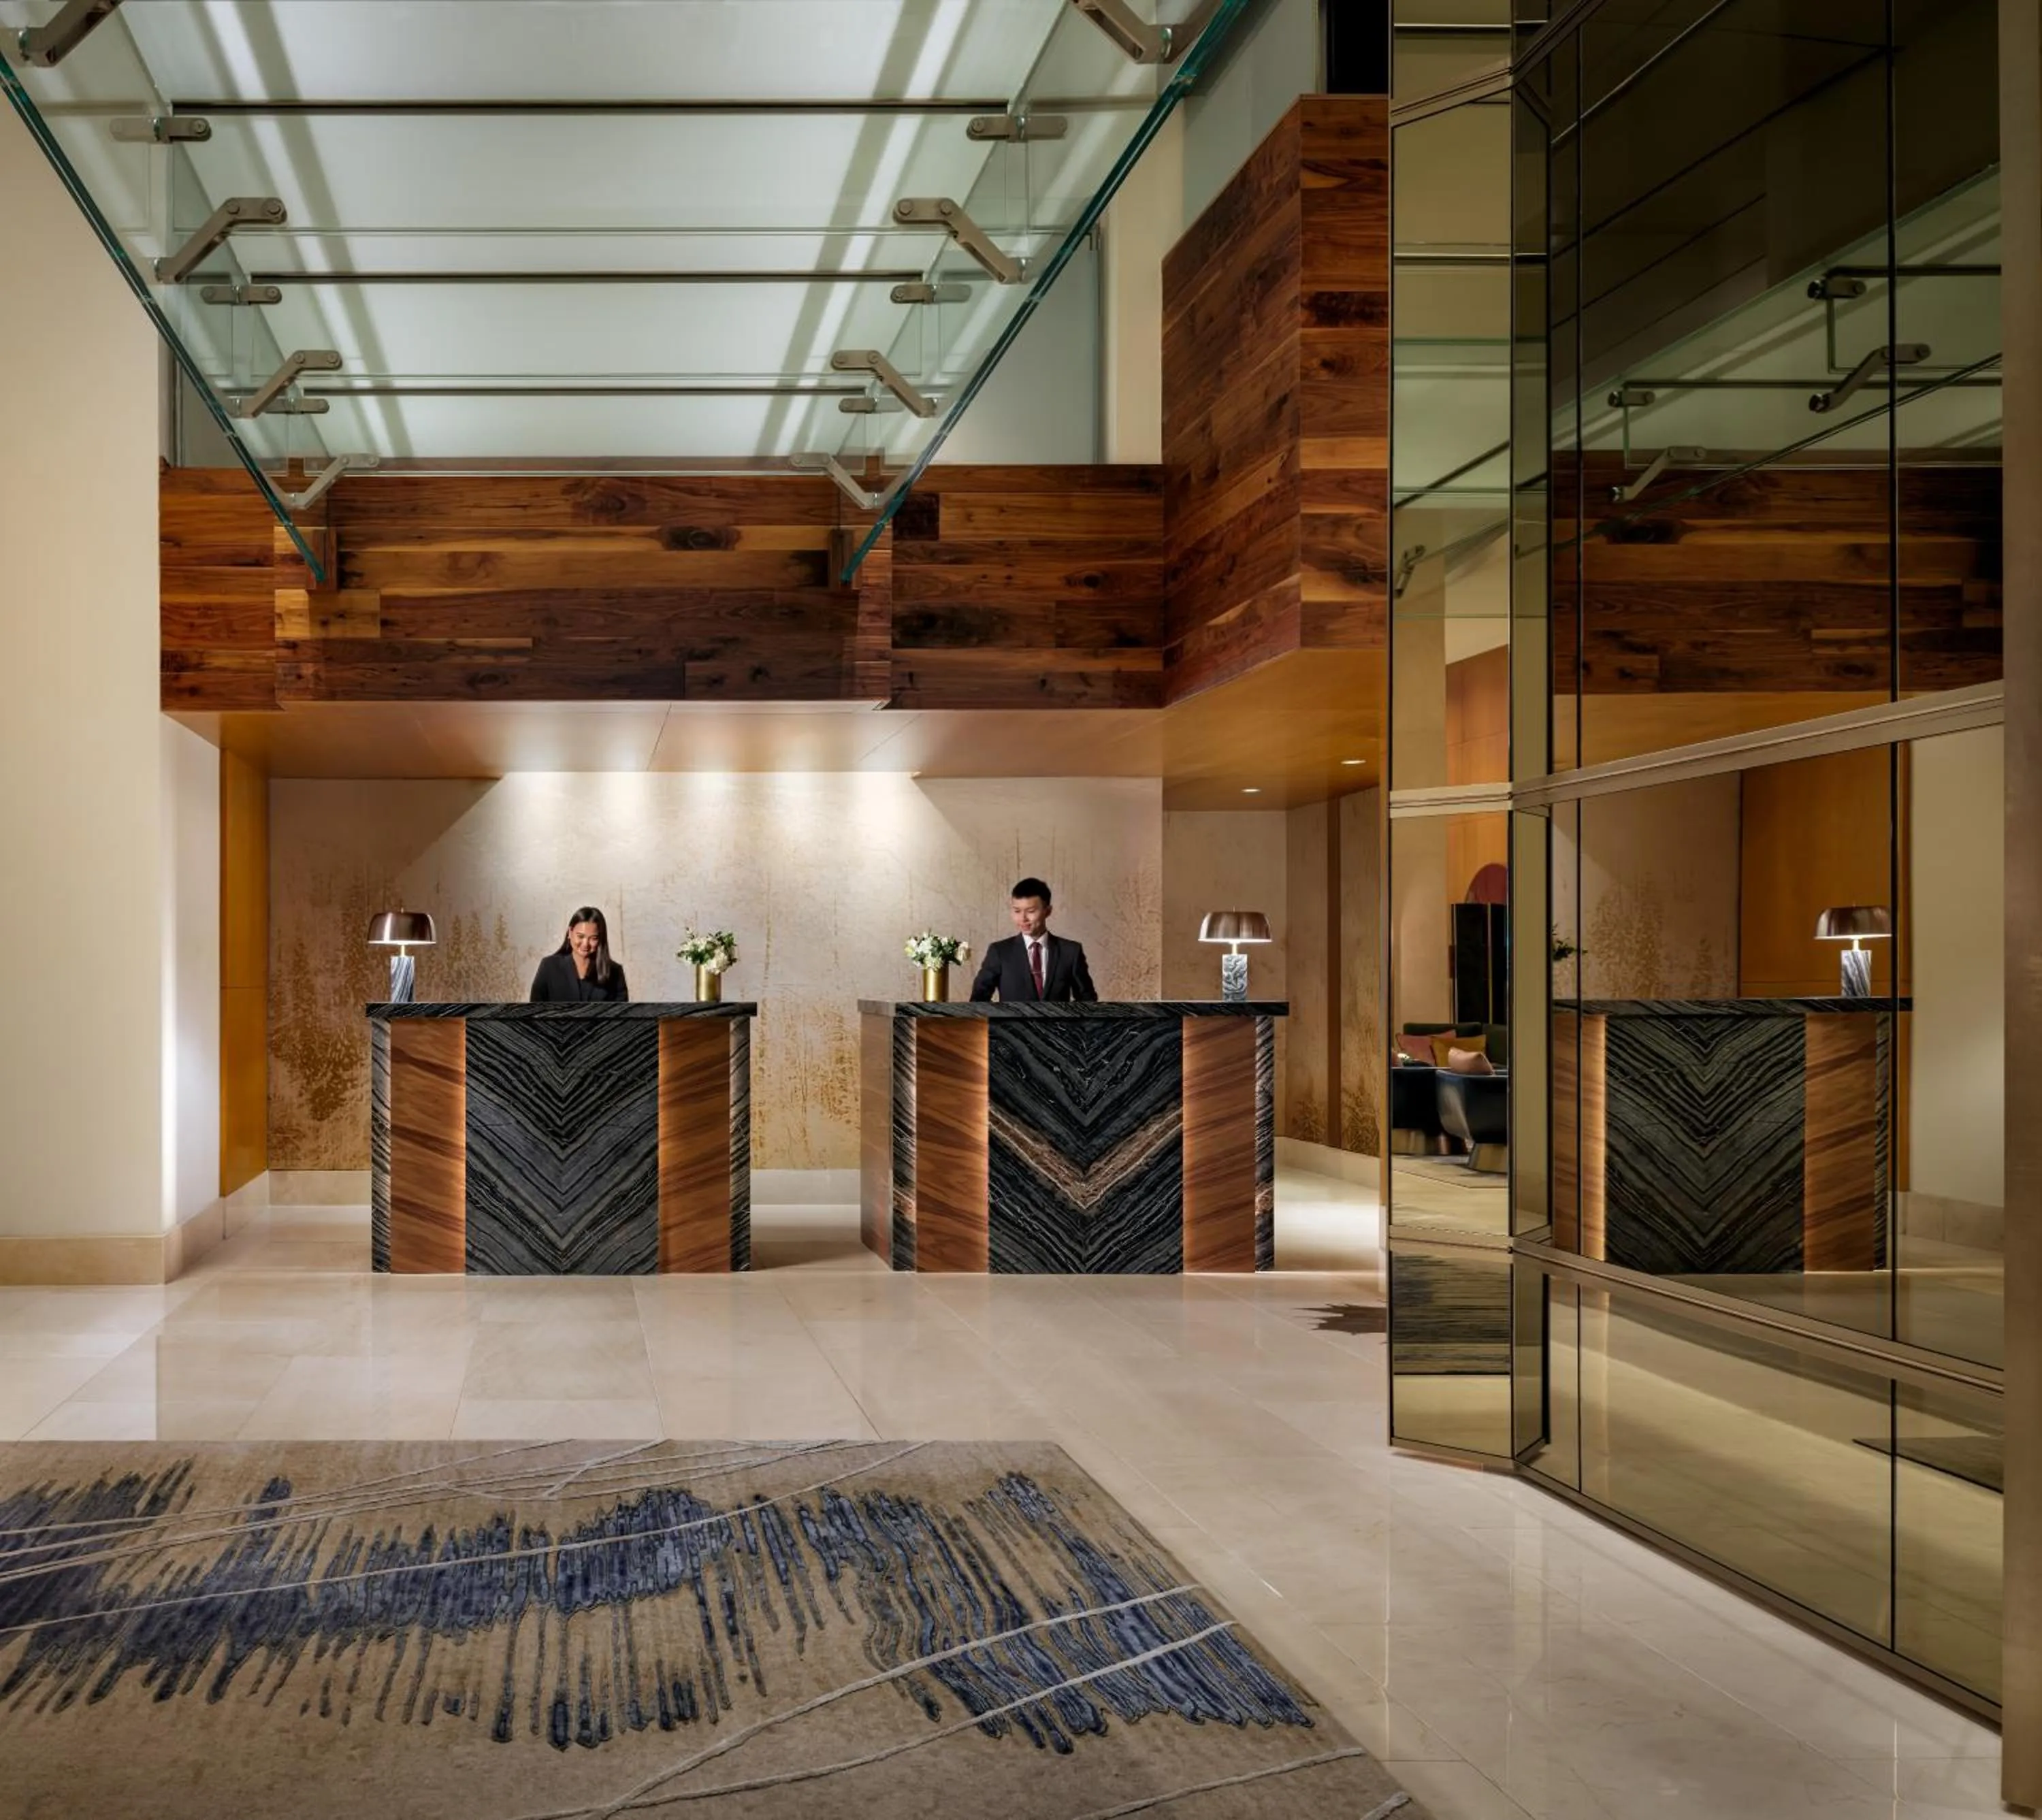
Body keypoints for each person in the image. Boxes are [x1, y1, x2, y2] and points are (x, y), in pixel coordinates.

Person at [969, 877, 1098, 1003]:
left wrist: (1070, 1025)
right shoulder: (1000, 952)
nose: (1023, 918)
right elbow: (978, 1000)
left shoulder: (1071, 952)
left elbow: (1088, 1001)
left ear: (1048, 911)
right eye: (1017, 911)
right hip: (1012, 1026)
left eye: (1031, 911)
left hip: (1058, 1026)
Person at [529, 906, 630, 1002]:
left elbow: (621, 1016)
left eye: (593, 938)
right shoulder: (549, 966)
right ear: (570, 933)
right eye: (581, 936)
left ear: (600, 939)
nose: (585, 944)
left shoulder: (615, 973)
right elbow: (534, 1013)